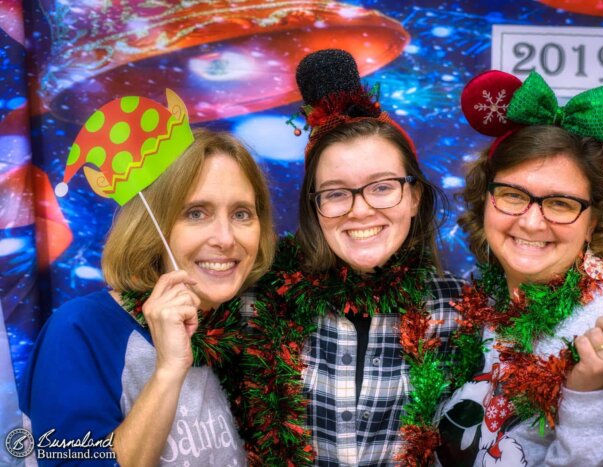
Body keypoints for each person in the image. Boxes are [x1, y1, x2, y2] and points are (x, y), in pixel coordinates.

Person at [436, 70, 603, 466]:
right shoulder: (480, 302)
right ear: (486, 199)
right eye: (512, 195)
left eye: (560, 203)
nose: (531, 222)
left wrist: (592, 393)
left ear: (593, 221)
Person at [239, 49, 483, 466]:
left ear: (414, 197)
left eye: (383, 186)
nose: (360, 209)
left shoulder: (460, 310)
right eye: (336, 193)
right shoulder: (259, 305)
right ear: (314, 207)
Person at [20, 128, 276, 465]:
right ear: (154, 226)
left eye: (241, 213)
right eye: (196, 213)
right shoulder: (79, 329)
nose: (226, 238)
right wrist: (168, 370)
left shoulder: (246, 325)